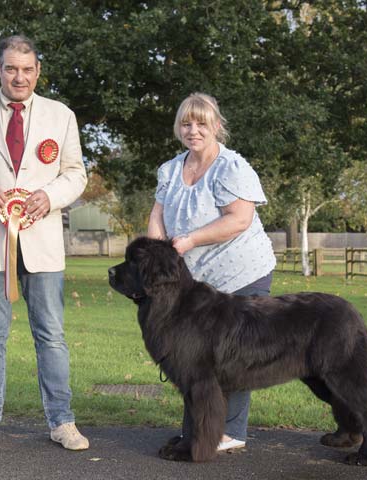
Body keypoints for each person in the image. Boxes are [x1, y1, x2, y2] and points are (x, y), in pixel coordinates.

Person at [0, 35, 89, 452]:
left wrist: (50, 196)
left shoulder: (61, 116)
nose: (19, 76)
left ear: (38, 71)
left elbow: (76, 173)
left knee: (52, 335)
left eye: (27, 69)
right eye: (10, 68)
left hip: (42, 242)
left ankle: (62, 422)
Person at [147, 92, 276, 451]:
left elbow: (239, 219)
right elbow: (157, 215)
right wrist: (158, 251)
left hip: (242, 273)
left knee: (233, 356)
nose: (193, 130)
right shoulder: (171, 169)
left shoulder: (232, 167)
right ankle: (199, 433)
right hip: (197, 282)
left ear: (216, 126)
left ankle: (230, 432)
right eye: (186, 123)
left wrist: (188, 241)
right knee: (195, 356)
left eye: (201, 123)